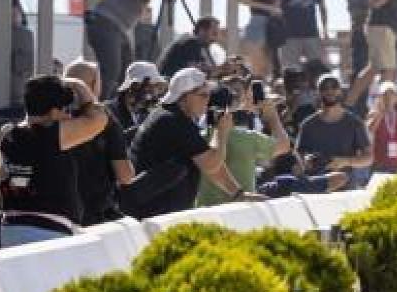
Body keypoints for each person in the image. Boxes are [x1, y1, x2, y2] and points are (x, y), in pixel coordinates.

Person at [129, 68, 254, 218]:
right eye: (203, 95)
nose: (208, 101)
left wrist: (237, 194)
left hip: (156, 211)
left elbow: (208, 163)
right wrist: (221, 131)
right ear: (184, 96)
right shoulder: (173, 121)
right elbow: (211, 164)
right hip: (154, 212)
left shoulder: (172, 116)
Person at [0, 76, 108, 246]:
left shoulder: (10, 135)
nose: (68, 116)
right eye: (66, 110)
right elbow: (99, 120)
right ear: (54, 112)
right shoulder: (49, 134)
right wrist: (79, 84)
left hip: (10, 228)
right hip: (45, 232)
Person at [86, 0, 164, 98]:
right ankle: (97, 109)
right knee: (111, 71)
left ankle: (117, 110)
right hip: (104, 23)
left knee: (127, 75)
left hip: (119, 29)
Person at [195, 81, 290, 207]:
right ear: (230, 108)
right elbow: (284, 145)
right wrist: (273, 116)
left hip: (204, 216)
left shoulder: (196, 139)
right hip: (241, 213)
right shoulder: (247, 138)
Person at [64, 60, 135, 226]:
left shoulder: (51, 117)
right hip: (93, 216)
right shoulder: (106, 121)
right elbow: (125, 176)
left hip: (57, 215)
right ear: (94, 85)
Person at [297, 74, 373, 188]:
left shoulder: (354, 123)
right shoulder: (308, 125)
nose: (330, 91)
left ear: (340, 91)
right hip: (316, 186)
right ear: (318, 93)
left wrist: (346, 162)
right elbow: (298, 155)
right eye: (324, 88)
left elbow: (368, 158)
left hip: (346, 187)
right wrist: (305, 161)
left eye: (334, 87)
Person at [239, 0, 282, 78]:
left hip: (269, 25)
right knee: (256, 64)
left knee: (266, 64)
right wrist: (267, 7)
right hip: (257, 23)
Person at [109, 60, 165, 138]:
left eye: (155, 86)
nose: (152, 93)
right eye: (147, 86)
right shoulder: (109, 112)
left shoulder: (147, 114)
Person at [367, 81, 397, 173]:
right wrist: (381, 112)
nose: (388, 98)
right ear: (380, 97)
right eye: (385, 95)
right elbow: (370, 129)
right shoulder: (374, 113)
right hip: (381, 163)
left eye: (391, 94)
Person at [257, 152, 348, 197]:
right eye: (301, 163)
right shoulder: (295, 184)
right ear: (295, 168)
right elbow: (341, 178)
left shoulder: (265, 185)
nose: (304, 166)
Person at [347, 0, 372, 84]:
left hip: (375, 33)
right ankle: (357, 102)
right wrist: (372, 7)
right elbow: (356, 13)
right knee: (359, 70)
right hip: (360, 34)